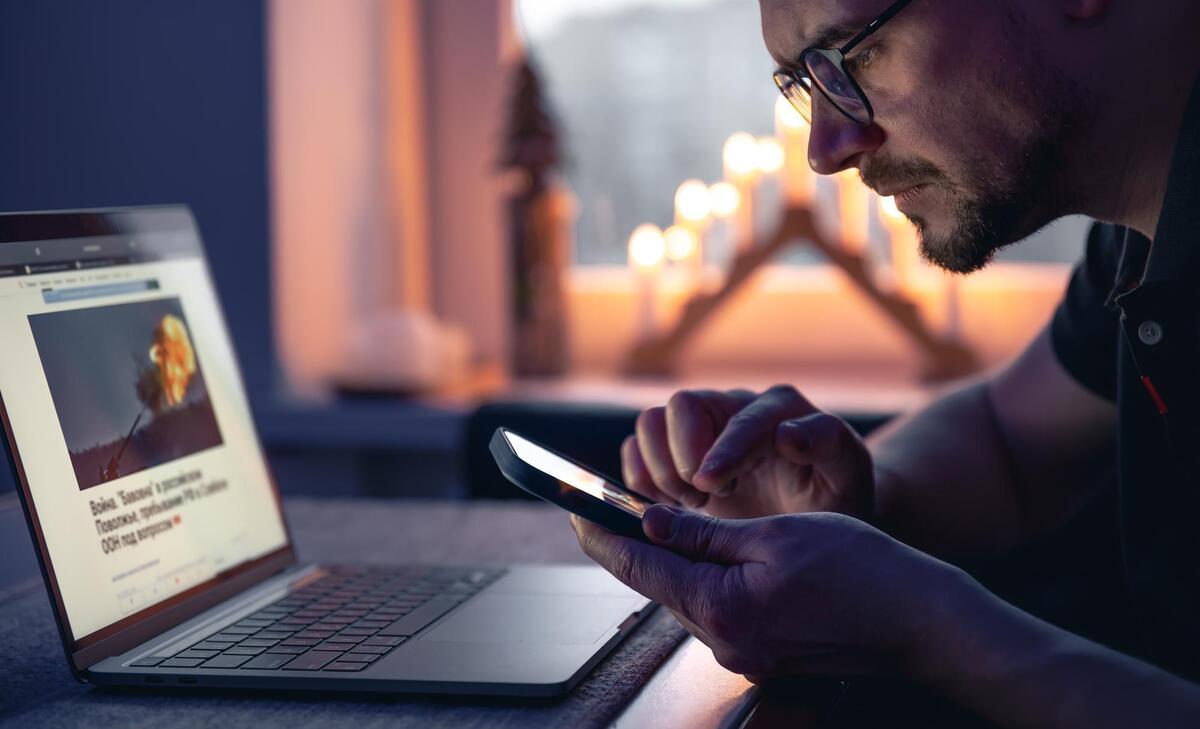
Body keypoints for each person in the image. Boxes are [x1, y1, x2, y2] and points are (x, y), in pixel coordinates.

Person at [570, 0, 1200, 725]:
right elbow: (1009, 441)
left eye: (858, 54)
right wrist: (851, 503)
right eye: (805, 85)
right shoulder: (1140, 242)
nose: (826, 150)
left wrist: (925, 630)